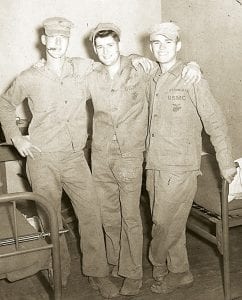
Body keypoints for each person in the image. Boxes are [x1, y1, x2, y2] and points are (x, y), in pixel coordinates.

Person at [0, 17, 119, 298]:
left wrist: (143, 59)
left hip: (75, 158)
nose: (56, 43)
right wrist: (16, 137)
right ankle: (59, 269)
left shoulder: (82, 67)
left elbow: (114, 60)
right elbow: (5, 104)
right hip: (42, 159)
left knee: (91, 214)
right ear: (43, 40)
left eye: (62, 38)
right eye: (51, 37)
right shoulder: (29, 77)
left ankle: (97, 274)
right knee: (50, 217)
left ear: (68, 41)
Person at [85, 22, 202, 296]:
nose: (105, 51)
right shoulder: (91, 75)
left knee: (130, 217)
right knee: (108, 217)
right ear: (94, 49)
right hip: (100, 157)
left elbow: (172, 70)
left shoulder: (140, 70)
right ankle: (115, 263)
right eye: (99, 47)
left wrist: (195, 65)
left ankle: (133, 273)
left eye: (110, 46)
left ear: (119, 45)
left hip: (129, 156)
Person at [145, 22, 237, 294]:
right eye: (156, 43)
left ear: (178, 46)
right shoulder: (151, 78)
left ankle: (159, 264)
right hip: (154, 164)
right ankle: (181, 272)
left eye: (167, 42)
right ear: (150, 47)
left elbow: (216, 122)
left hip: (181, 166)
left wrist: (226, 162)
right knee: (166, 220)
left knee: (163, 222)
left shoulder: (191, 79)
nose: (161, 48)